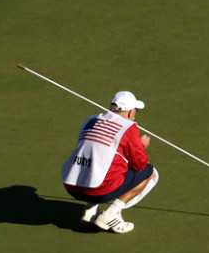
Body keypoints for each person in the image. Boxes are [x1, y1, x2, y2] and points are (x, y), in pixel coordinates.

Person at [61, 91, 159, 234]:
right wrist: (141, 146)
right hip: (99, 191)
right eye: (136, 111)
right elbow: (140, 164)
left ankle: (90, 210)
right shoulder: (128, 127)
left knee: (108, 162)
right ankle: (111, 214)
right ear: (131, 113)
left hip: (72, 186)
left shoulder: (90, 120)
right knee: (150, 173)